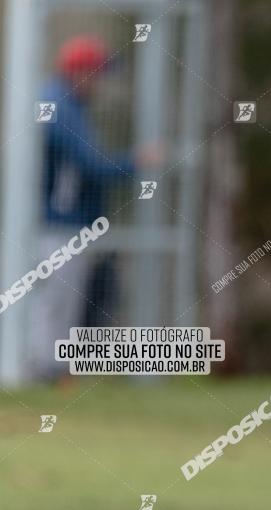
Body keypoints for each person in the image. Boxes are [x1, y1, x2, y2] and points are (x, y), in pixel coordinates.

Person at [30, 36, 152, 379]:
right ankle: (45, 376)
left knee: (57, 307)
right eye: (96, 74)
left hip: (63, 226)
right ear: (80, 72)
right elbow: (93, 166)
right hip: (58, 227)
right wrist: (136, 161)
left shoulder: (65, 103)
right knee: (54, 307)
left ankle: (50, 374)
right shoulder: (60, 106)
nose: (99, 83)